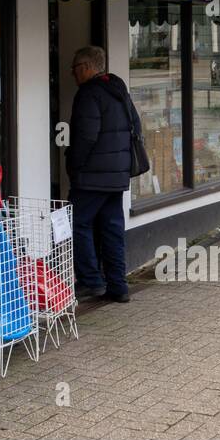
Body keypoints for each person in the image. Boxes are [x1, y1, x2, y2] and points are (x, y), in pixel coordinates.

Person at [66, 45, 136, 304]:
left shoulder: (89, 94)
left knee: (78, 223)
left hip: (92, 176)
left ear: (86, 67)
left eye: (74, 68)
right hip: (116, 176)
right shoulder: (118, 90)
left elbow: (85, 137)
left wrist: (74, 167)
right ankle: (118, 285)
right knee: (112, 228)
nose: (72, 75)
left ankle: (91, 281)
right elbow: (135, 127)